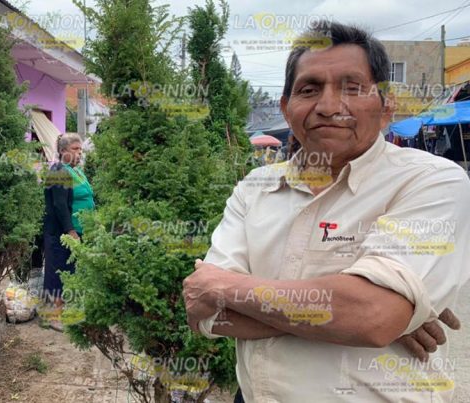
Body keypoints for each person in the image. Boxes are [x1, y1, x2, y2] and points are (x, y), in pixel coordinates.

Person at [183, 21, 470, 402]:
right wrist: (363, 315)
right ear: (287, 108)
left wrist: (226, 287)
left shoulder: (431, 181)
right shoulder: (256, 187)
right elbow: (207, 314)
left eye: (353, 87)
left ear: (387, 106)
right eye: (309, 89)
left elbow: (372, 316)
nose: (330, 106)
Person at [42, 134, 95, 330]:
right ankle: (53, 317)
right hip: (60, 232)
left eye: (80, 149)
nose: (79, 153)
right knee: (58, 270)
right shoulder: (58, 172)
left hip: (77, 230)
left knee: (70, 271)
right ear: (63, 151)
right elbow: (59, 205)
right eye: (75, 149)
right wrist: (71, 230)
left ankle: (66, 312)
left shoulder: (75, 171)